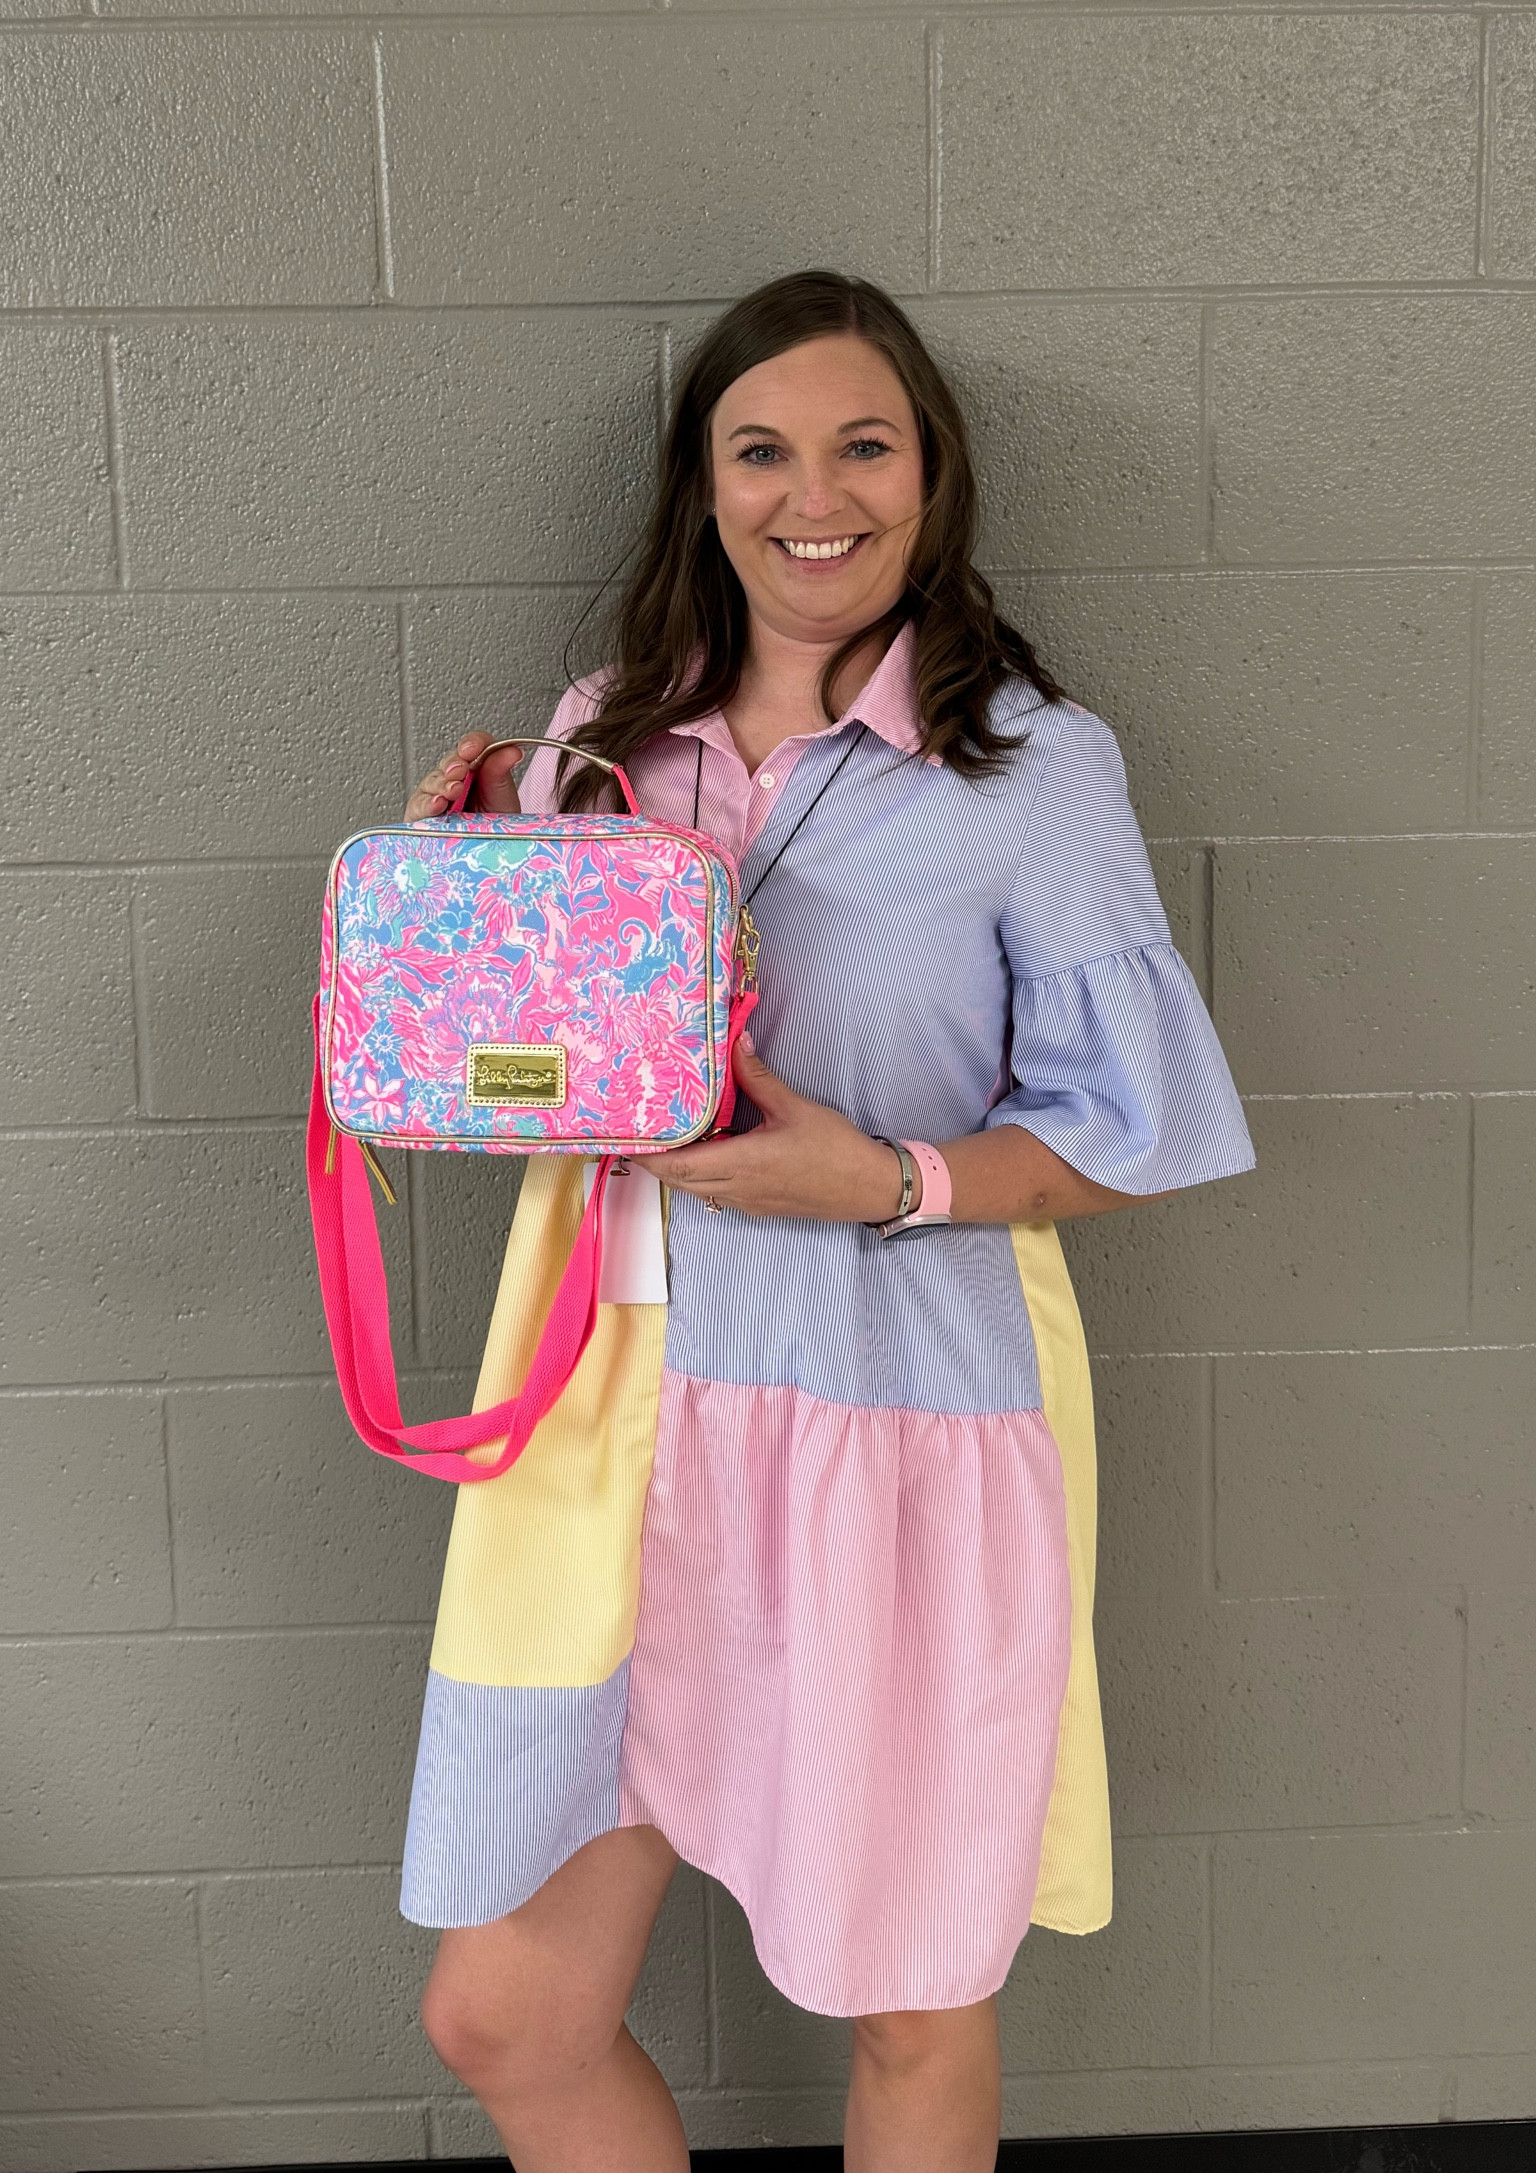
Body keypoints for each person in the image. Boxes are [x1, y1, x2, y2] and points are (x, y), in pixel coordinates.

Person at [398, 270, 1254, 2173]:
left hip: (899, 1414)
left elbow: (1138, 1129)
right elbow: (523, 1084)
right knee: (505, 2006)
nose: (818, 493)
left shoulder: (1033, 769)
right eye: (761, 448)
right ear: (702, 490)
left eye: (866, 444)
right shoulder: (600, 738)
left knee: (909, 1996)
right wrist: (468, 904)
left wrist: (881, 1177)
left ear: (931, 474)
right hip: (604, 1413)